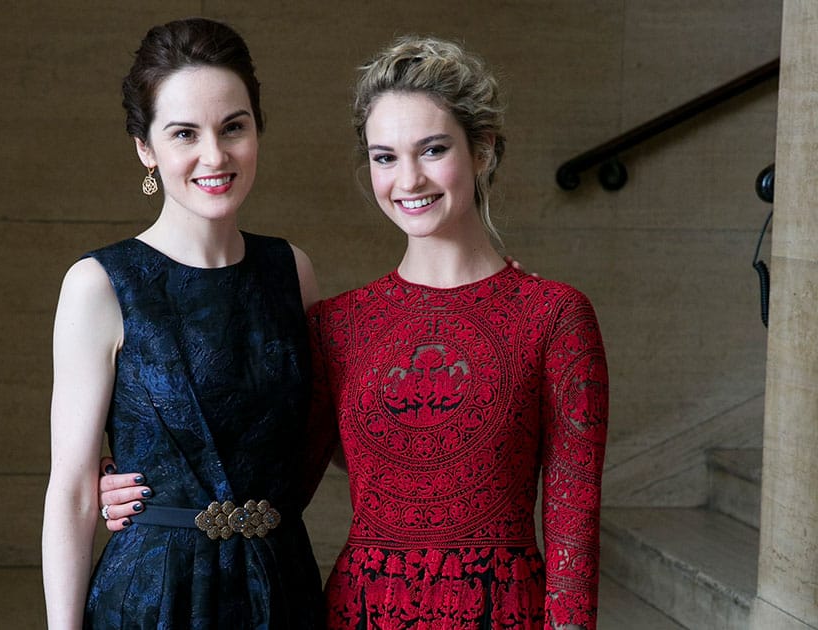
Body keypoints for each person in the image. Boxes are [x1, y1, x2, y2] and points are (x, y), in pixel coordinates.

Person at [100, 33, 608, 630]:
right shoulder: (339, 324)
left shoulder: (554, 316)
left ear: (483, 150)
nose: (409, 178)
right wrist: (152, 490)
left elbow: (576, 530)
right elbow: (268, 467)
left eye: (434, 149)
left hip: (501, 612)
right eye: (385, 156)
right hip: (357, 613)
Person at [41, 17, 326, 629]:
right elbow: (70, 491)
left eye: (233, 128)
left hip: (281, 589)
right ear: (146, 148)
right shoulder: (99, 284)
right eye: (184, 133)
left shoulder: (291, 270)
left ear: (257, 129)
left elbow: (342, 429)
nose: (214, 155)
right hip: (154, 597)